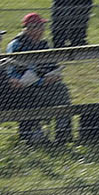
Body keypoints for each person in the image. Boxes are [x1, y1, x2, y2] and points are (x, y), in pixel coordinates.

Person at [4, 12, 72, 144]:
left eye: (42, 27)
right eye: (39, 27)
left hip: (44, 85)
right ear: (29, 29)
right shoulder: (17, 45)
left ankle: (63, 132)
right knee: (32, 97)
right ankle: (34, 135)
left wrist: (55, 76)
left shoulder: (44, 44)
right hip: (22, 87)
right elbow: (12, 72)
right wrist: (41, 81)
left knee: (61, 89)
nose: (42, 30)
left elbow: (52, 66)